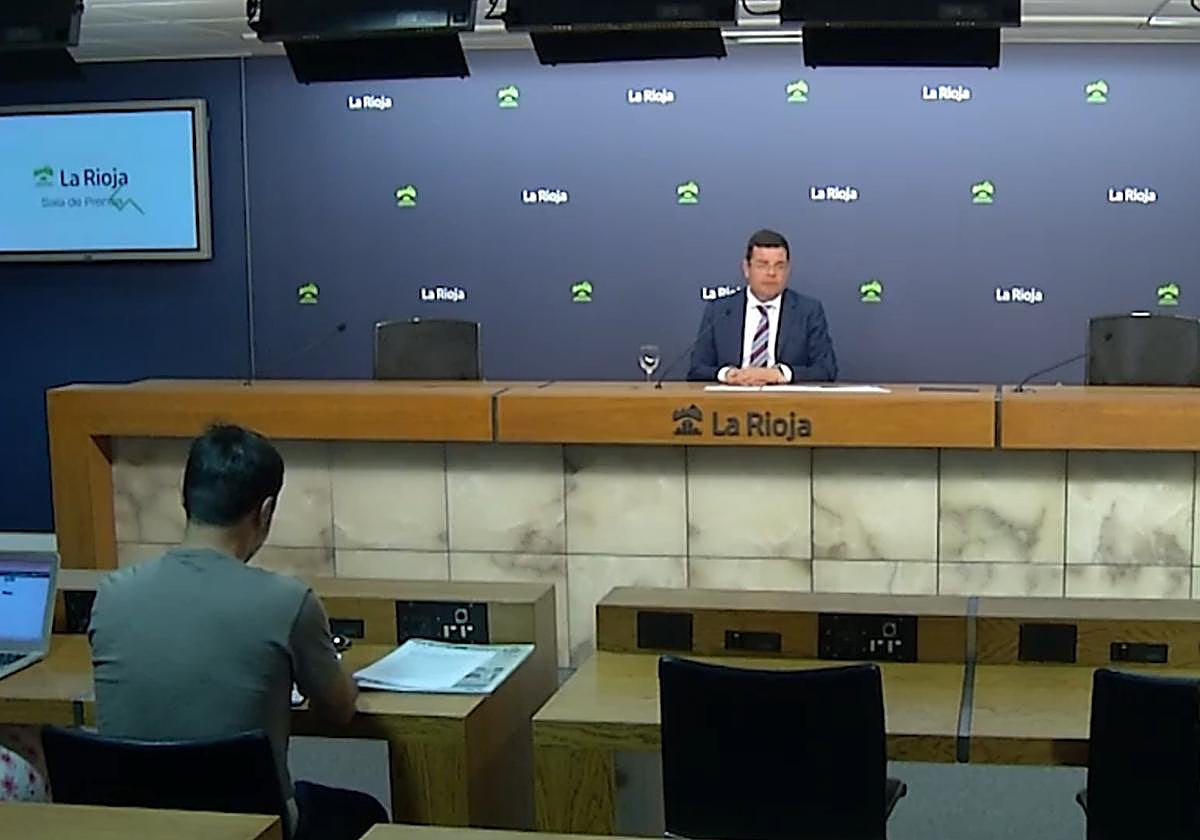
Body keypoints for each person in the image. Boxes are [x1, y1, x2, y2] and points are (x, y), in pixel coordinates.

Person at [88, 424, 386, 840]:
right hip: (254, 829)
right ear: (264, 512)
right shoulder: (288, 601)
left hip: (137, 830)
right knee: (365, 813)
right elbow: (339, 710)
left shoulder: (111, 595)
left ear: (185, 500)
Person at [688, 229, 837, 383]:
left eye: (779, 266)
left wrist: (780, 374)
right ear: (747, 268)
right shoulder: (720, 310)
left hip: (785, 397)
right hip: (733, 395)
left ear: (788, 270)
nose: (771, 273)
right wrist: (727, 374)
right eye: (762, 265)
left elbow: (826, 369)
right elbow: (697, 369)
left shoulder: (808, 311)